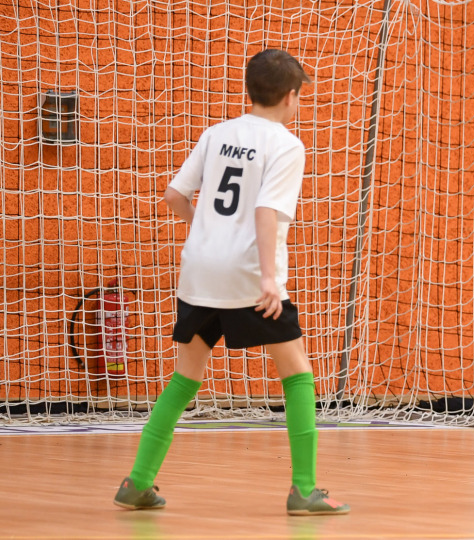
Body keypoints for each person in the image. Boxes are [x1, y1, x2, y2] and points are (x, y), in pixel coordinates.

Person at [113, 49, 350, 515]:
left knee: (184, 377)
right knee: (298, 373)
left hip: (198, 270)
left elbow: (174, 195)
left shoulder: (217, 133)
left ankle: (137, 481)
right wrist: (267, 277)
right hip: (247, 274)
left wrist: (209, 236)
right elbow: (264, 211)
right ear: (290, 95)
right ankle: (304, 490)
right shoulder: (286, 144)